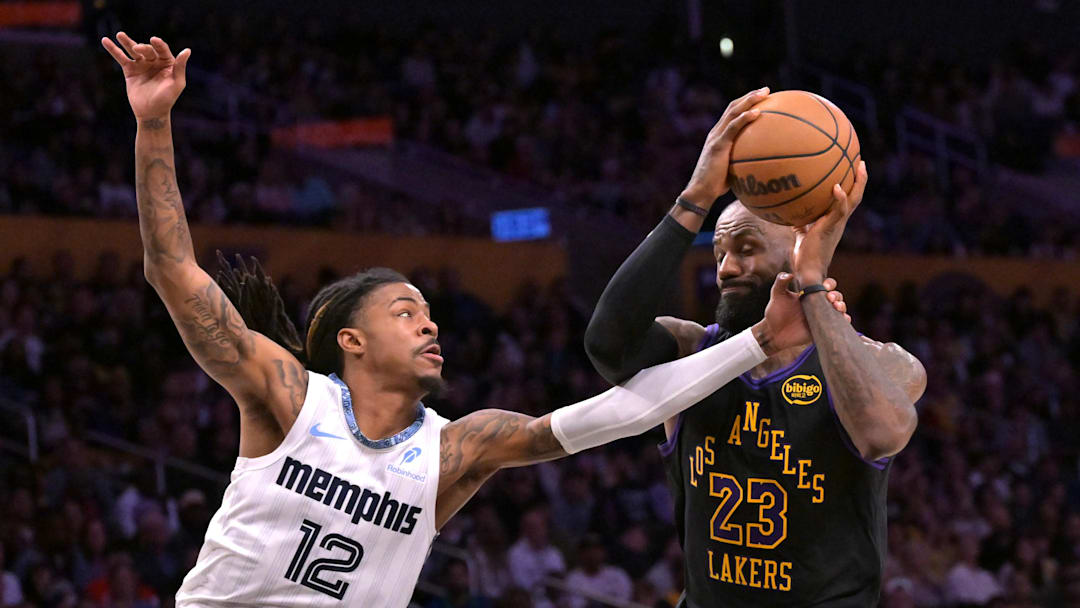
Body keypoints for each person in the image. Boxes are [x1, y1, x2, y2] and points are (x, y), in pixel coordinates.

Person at [101, 35, 851, 607]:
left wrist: (756, 339)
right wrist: (154, 125)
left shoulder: (457, 447)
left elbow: (615, 415)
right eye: (406, 312)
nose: (431, 327)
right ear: (351, 342)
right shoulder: (290, 398)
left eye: (429, 314)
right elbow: (173, 271)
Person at [584, 88, 927, 606]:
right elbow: (606, 343)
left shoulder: (884, 363)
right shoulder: (691, 353)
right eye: (719, 253)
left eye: (744, 249)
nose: (725, 269)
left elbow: (882, 433)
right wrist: (696, 196)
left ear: (794, 245)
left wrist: (812, 282)